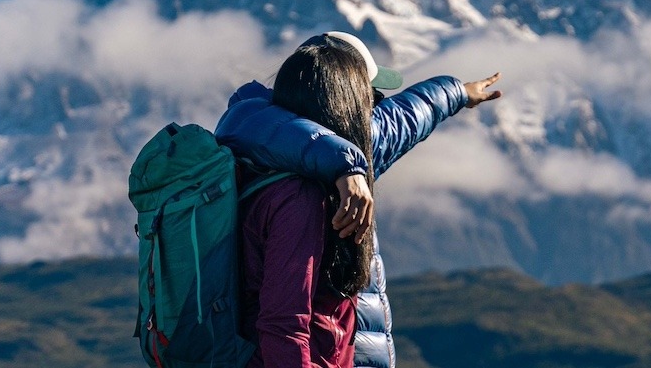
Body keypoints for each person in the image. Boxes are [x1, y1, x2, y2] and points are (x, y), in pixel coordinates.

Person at [214, 31, 501, 368]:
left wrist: (459, 92)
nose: (374, 106)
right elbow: (284, 325)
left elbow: (408, 116)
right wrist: (347, 165)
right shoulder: (297, 197)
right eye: (371, 96)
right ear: (345, 101)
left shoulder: (340, 151)